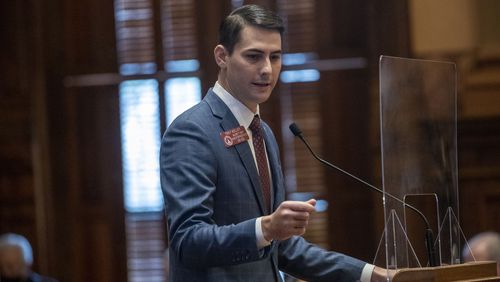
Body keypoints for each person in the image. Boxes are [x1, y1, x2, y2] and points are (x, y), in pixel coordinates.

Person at [160, 4, 392, 281]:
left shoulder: (263, 133)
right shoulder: (192, 130)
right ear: (222, 56)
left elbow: (283, 249)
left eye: (276, 57)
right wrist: (267, 228)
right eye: (254, 56)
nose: (267, 70)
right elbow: (187, 241)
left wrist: (372, 275)